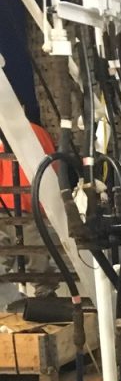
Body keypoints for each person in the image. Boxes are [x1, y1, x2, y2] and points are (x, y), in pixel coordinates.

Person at [1, 122, 59, 298]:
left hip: (9, 200)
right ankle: (45, 291)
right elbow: (52, 165)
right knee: (35, 250)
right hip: (30, 199)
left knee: (9, 249)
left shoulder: (8, 133)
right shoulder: (38, 131)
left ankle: (43, 290)